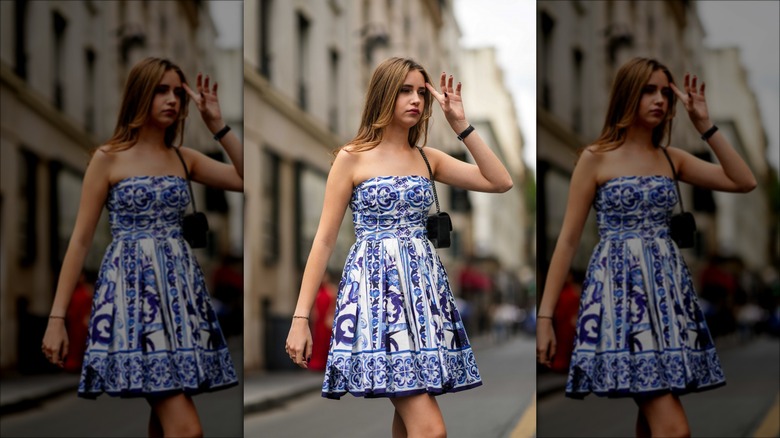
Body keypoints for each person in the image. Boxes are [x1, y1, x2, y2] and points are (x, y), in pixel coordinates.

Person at [285, 57, 512, 437]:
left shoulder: (427, 157)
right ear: (384, 94)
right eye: (405, 90)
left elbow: (500, 181)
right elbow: (323, 240)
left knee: (410, 426)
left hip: (423, 299)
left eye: (422, 92)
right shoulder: (351, 158)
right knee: (430, 430)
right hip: (376, 298)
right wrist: (300, 318)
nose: (416, 100)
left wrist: (460, 125)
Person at [536, 57, 757, 438]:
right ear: (627, 95)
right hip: (620, 299)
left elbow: (744, 181)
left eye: (665, 93)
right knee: (673, 429)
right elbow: (568, 240)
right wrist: (545, 318)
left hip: (669, 301)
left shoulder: (672, 158)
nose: (660, 100)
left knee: (653, 423)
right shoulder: (595, 158)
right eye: (648, 91)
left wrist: (705, 126)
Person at [40, 57, 243, 438]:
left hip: (181, 301)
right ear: (140, 95)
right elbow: (80, 240)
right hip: (132, 299)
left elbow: (245, 177)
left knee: (164, 424)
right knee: (186, 429)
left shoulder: (184, 158)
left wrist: (217, 125)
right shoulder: (107, 159)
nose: (172, 100)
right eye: (161, 90)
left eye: (178, 93)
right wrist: (57, 319)